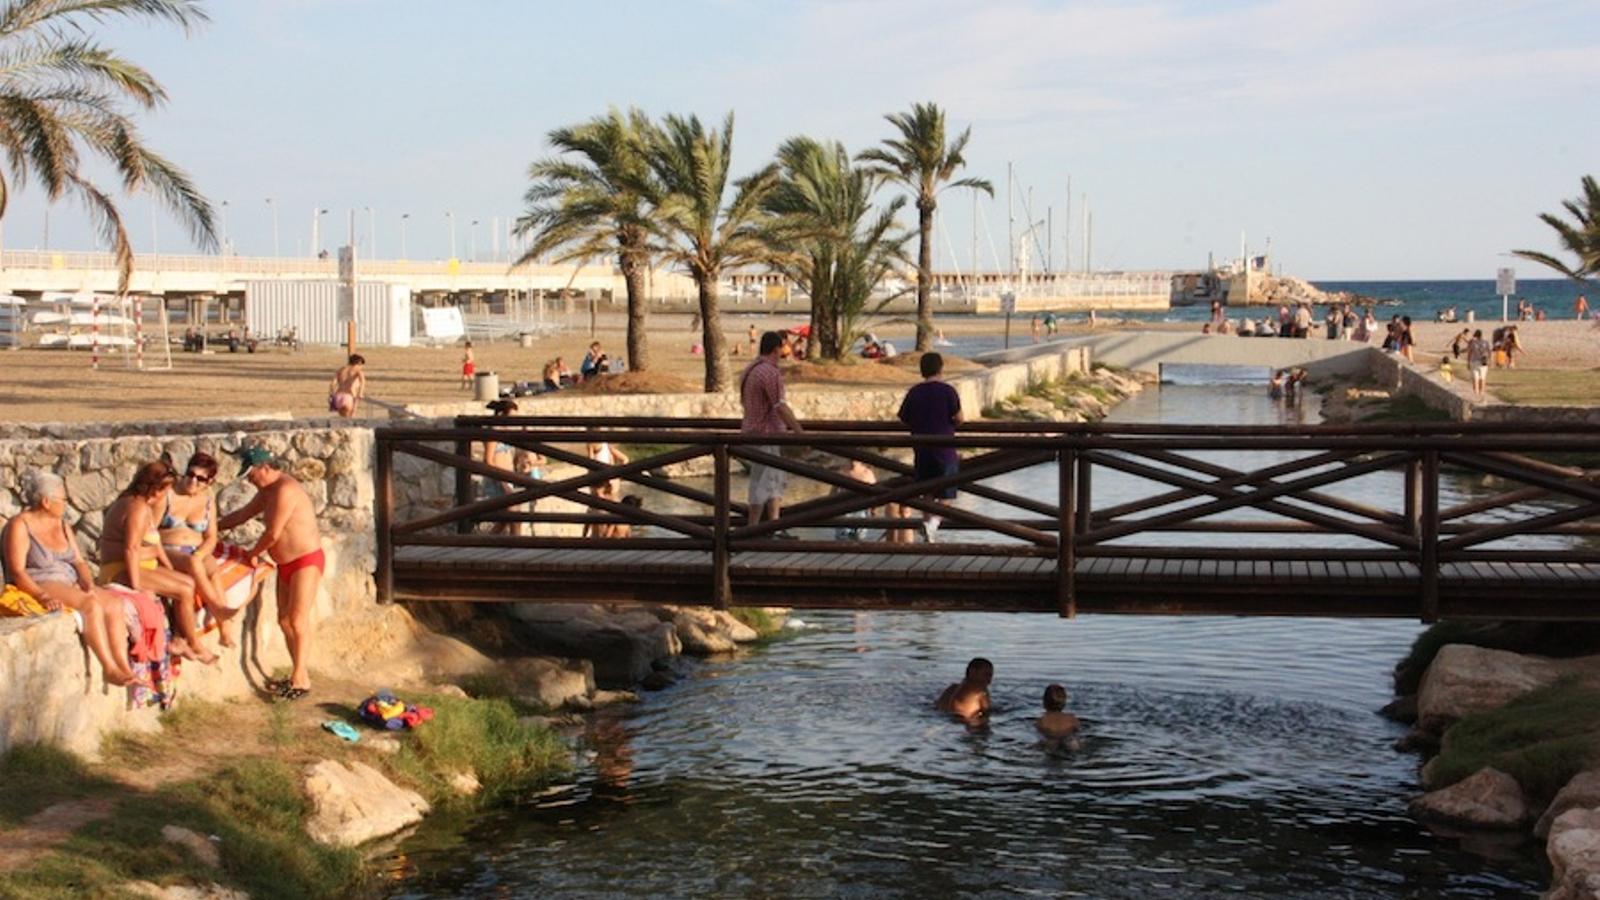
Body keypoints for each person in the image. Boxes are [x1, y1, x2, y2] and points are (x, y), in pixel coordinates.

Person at [2, 471, 139, 686]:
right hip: (41, 580)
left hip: (68, 580)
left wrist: (87, 582)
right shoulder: (20, 526)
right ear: (47, 502)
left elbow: (79, 561)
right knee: (90, 605)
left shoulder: (63, 525)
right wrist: (42, 596)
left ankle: (123, 665)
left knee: (113, 604)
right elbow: (18, 570)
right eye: (63, 499)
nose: (66, 503)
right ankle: (109, 668)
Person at [219, 446, 323, 700]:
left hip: (305, 560)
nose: (251, 481)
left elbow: (273, 533)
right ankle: (300, 674)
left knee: (298, 619)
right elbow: (242, 515)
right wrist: (209, 528)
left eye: (252, 474)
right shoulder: (267, 491)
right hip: (285, 564)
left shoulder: (286, 490)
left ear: (265, 467)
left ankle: (300, 678)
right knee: (284, 621)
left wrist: (254, 552)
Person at [99, 461, 210, 664]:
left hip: (141, 565)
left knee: (188, 583)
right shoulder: (136, 508)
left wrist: (168, 569)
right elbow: (131, 549)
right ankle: (193, 643)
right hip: (119, 569)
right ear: (156, 488)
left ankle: (180, 637)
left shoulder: (144, 506)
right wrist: (136, 586)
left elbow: (156, 545)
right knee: (184, 590)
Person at [158, 452, 237, 648]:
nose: (193, 481)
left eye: (200, 479)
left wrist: (200, 553)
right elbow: (150, 529)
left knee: (213, 571)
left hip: (195, 549)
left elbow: (211, 537)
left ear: (209, 482)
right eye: (190, 474)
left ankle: (224, 631)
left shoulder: (207, 500)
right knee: (193, 564)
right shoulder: (168, 494)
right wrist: (195, 557)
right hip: (168, 548)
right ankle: (219, 609)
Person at [898, 352, 962, 543]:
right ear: (941, 369)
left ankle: (928, 530)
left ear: (921, 370)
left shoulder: (914, 392)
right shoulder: (948, 391)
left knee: (927, 491)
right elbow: (959, 418)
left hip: (922, 449)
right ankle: (932, 525)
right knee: (948, 492)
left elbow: (903, 418)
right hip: (945, 449)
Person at [741, 331, 803, 526]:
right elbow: (780, 406)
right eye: (784, 347)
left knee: (772, 480)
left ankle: (772, 526)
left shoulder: (750, 369)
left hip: (752, 432)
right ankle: (755, 528)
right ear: (777, 349)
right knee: (765, 483)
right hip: (766, 435)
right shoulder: (769, 372)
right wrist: (800, 433)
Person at [480, 400, 521, 534]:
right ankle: (518, 546)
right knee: (514, 514)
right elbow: (489, 459)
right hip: (499, 479)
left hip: (507, 476)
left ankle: (488, 544)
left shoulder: (504, 433)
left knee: (506, 518)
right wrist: (502, 480)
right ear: (502, 415)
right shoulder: (493, 434)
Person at [935, 657, 992, 724]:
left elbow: (937, 706)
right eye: (986, 675)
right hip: (964, 721)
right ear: (973, 672)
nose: (989, 679)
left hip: (944, 719)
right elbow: (987, 711)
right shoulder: (980, 689)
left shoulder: (952, 688)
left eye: (990, 675)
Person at [328, 354, 366, 418]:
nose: (362, 367)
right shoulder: (358, 371)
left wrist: (332, 394)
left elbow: (332, 383)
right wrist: (360, 393)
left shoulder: (340, 370)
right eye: (362, 365)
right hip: (349, 396)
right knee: (351, 417)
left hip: (338, 397)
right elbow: (363, 382)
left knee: (343, 417)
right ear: (359, 363)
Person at [1466, 328, 1491, 400]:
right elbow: (1489, 352)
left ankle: (1476, 393)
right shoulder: (1485, 342)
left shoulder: (1473, 343)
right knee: (1482, 378)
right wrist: (1489, 360)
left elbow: (1469, 353)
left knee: (1475, 378)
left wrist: (1468, 362)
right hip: (1483, 362)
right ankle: (1481, 392)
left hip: (1474, 361)